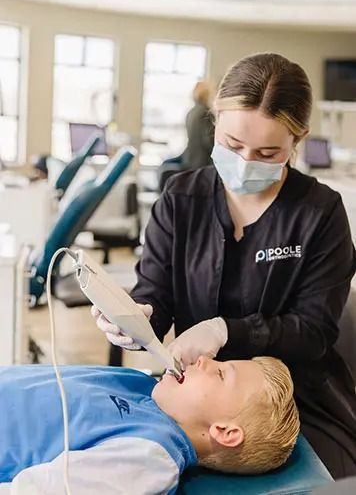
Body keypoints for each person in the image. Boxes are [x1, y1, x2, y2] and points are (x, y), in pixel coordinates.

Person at [94, 53, 356, 479]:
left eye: (268, 152)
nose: (246, 161)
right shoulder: (181, 199)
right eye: (233, 146)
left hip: (294, 400)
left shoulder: (320, 213)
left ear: (298, 139)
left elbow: (315, 333)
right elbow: (154, 297)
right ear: (215, 124)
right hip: (196, 397)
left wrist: (225, 330)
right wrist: (134, 322)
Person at [0, 356, 299, 494]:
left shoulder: (150, 458)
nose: (206, 359)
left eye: (221, 374)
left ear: (225, 432)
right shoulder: (143, 386)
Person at [181, 80, 215, 170]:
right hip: (202, 162)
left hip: (190, 158)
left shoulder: (191, 112)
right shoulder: (205, 113)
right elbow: (208, 141)